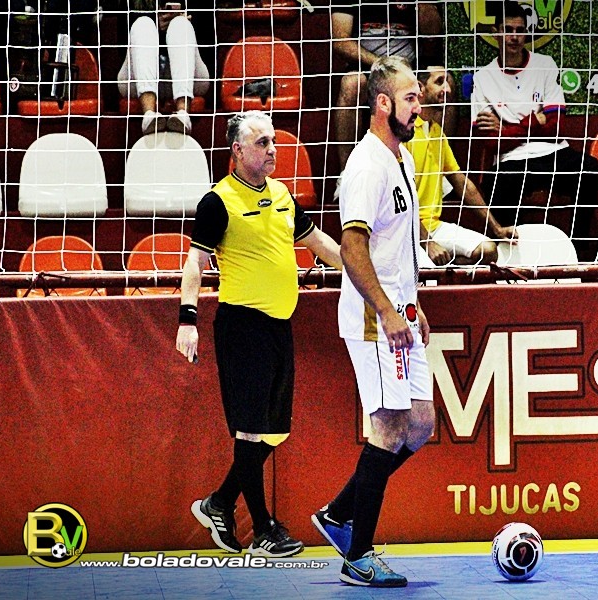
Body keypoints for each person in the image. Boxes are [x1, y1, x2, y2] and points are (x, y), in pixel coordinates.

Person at [177, 110, 341, 557]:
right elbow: (195, 262)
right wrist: (187, 319)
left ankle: (219, 503)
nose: (273, 149)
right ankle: (264, 530)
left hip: (278, 327)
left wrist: (361, 271)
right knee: (250, 432)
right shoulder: (218, 202)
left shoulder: (283, 195)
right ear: (237, 150)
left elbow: (318, 243)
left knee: (271, 433)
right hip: (242, 327)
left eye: (274, 141)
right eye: (262, 142)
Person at [311, 56, 435, 588]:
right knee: (387, 426)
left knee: (421, 424)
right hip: (371, 316)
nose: (420, 106)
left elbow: (395, 246)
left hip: (398, 309)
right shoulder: (366, 165)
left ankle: (338, 513)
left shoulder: (400, 156)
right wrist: (386, 309)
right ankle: (357, 556)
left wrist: (412, 303)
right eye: (411, 98)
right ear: (383, 103)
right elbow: (353, 247)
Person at [471, 1, 598, 260]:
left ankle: (578, 250)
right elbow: (491, 142)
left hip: (552, 151)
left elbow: (556, 126)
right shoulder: (483, 77)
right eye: (508, 30)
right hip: (512, 159)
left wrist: (508, 128)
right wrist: (534, 121)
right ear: (496, 32)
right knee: (495, 184)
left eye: (520, 30)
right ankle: (511, 255)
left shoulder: (545, 64)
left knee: (590, 169)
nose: (514, 37)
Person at [408, 65, 517, 266]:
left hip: (434, 227)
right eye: (439, 82)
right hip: (405, 230)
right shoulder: (405, 132)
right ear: (420, 88)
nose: (448, 89)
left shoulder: (436, 132)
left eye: (448, 83)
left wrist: (497, 229)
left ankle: (444, 268)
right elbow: (400, 197)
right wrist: (427, 243)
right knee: (423, 269)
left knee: (488, 251)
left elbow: (462, 184)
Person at [330, 1, 451, 175]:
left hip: (410, 66)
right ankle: (346, 172)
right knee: (352, 84)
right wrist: (381, 64)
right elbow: (340, 41)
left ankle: (440, 170)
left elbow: (432, 34)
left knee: (446, 82)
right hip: (368, 65)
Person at [118, 0, 210, 135]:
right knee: (143, 23)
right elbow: (121, 46)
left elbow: (209, 47)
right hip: (138, 78)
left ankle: (183, 114)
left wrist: (190, 21)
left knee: (180, 25)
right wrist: (157, 25)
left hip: (188, 76)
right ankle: (149, 115)